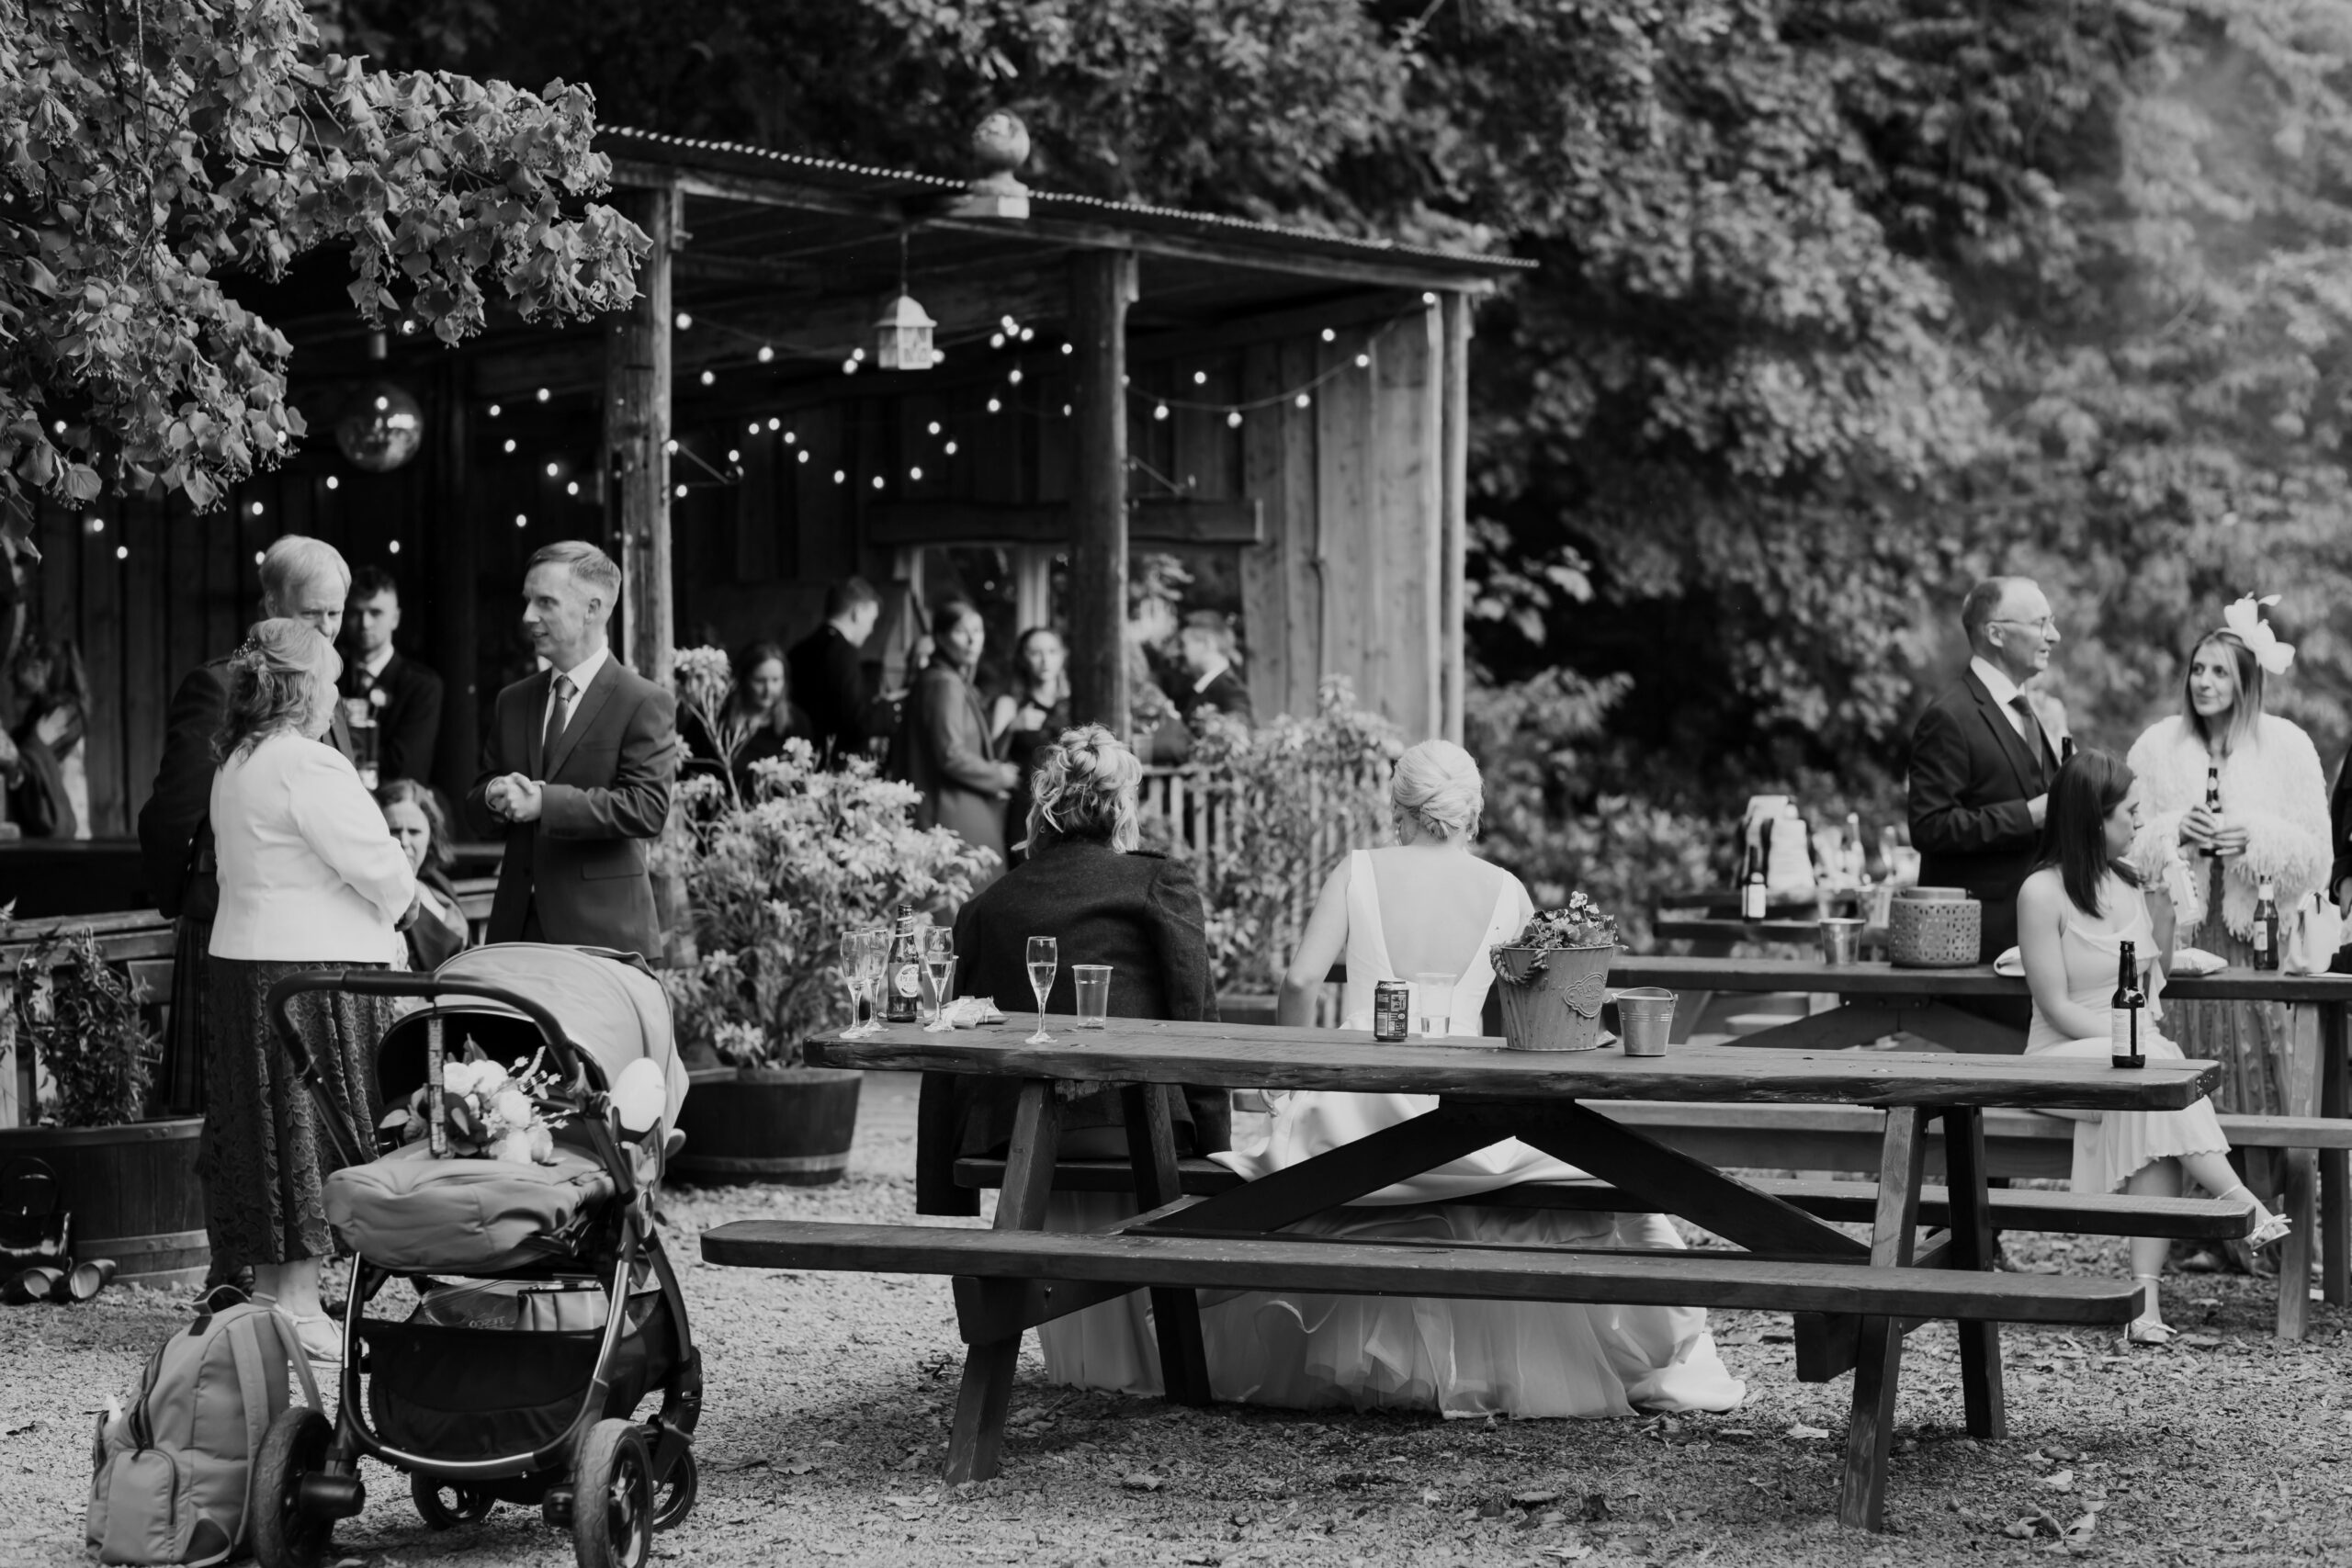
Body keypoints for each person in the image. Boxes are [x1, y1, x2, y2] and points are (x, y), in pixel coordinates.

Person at [1128, 741, 1741, 1416]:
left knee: (1285, 1173)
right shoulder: (1505, 889)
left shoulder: (1359, 870)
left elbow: (1301, 980)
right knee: (1593, 1173)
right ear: (1471, 811)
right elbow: (1543, 1011)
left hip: (1356, 1111)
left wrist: (1290, 1076)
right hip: (1465, 1124)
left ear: (1399, 807)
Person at [137, 536, 355, 1302]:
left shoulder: (329, 684)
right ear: (270, 608)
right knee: (232, 1110)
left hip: (309, 932)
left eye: (336, 614)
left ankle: (293, 1271)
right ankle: (233, 1270)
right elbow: (173, 815)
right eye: (311, 613)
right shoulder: (218, 685)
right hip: (234, 919)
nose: (328, 631)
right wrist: (201, 900)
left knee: (299, 1108)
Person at [2018, 749, 2288, 1343]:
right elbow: (2056, 1004)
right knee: (2155, 1069)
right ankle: (2241, 1205)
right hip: (2059, 1056)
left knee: (2154, 1107)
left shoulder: (2127, 881)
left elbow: (2153, 971)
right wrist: (2129, 1038)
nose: (2140, 823)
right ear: (2094, 819)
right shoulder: (2040, 892)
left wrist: (2168, 906)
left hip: (2130, 1053)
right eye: (2131, 812)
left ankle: (2145, 1306)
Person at [205, 617, 417, 1360]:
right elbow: (382, 866)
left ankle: (275, 1295)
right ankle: (296, 1305)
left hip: (244, 969)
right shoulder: (308, 764)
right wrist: (406, 900)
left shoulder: (237, 760)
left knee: (265, 1129)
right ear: (301, 690)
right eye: (328, 681)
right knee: (302, 1125)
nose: (336, 694)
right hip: (307, 974)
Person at [920, 724, 1221, 1218]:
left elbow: (946, 1032)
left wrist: (942, 1186)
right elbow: (1196, 1015)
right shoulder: (1158, 882)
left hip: (1008, 1133)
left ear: (1044, 810)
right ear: (1122, 807)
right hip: (1129, 1127)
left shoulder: (984, 907)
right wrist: (1213, 1149)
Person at [2125, 598, 2331, 1203]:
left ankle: (2261, 1224)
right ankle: (2184, 1219)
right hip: (2177, 941)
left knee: (2258, 1073)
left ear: (2248, 681)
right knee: (2180, 1073)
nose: (2205, 682)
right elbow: (2124, 848)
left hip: (2253, 940)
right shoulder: (2157, 746)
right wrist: (2173, 833)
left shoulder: (2288, 746)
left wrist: (2252, 837)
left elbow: (2316, 856)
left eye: (2220, 671)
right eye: (2198, 669)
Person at [464, 541, 679, 958]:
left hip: (604, 938)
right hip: (515, 935)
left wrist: (545, 802)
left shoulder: (643, 701)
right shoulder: (512, 700)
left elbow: (647, 809)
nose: (528, 616)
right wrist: (493, 795)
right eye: (528, 601)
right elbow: (476, 805)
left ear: (593, 609)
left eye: (545, 602)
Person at [1908, 576, 2071, 968]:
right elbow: (1929, 826)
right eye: (2040, 623)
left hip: (2038, 934)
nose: (2055, 635)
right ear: (1996, 633)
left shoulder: (2027, 709)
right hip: (1978, 945)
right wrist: (2029, 815)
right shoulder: (1949, 716)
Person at [899, 600, 1018, 895]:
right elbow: (950, 755)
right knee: (963, 906)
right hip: (952, 814)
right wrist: (999, 776)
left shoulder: (948, 679)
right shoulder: (944, 683)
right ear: (939, 637)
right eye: (961, 631)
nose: (972, 639)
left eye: (977, 630)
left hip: (953, 810)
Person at [340, 565, 445, 788]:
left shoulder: (422, 686)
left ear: (395, 618)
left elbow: (406, 767)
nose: (365, 623)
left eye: (375, 612)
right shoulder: (331, 678)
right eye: (356, 613)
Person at [684, 640, 809, 799]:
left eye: (776, 680)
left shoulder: (796, 722)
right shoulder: (715, 719)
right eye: (760, 681)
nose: (768, 690)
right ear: (743, 679)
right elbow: (688, 771)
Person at [988, 626, 1072, 861]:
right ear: (1023, 658)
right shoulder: (1010, 704)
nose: (1045, 660)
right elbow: (988, 759)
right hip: (1026, 813)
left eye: (1052, 651)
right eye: (1036, 653)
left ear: (1062, 655)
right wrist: (1012, 727)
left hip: (1070, 812)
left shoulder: (1076, 703)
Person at [788, 576, 880, 767]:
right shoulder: (843, 653)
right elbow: (855, 720)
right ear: (858, 613)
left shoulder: (800, 649)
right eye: (872, 620)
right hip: (833, 764)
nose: (871, 629)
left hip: (802, 759)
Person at [378, 779, 469, 970]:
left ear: (431, 835)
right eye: (394, 831)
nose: (404, 841)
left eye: (414, 831)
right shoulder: (379, 899)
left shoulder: (438, 883)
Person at [6, 637, 90, 839]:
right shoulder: (36, 716)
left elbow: (27, 763)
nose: (11, 676)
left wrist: (36, 742)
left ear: (40, 668)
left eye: (20, 666)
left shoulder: (64, 714)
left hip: (65, 832)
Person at [1172, 610, 1254, 728]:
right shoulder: (1202, 690)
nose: (1178, 652)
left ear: (1208, 643)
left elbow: (1237, 738)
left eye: (1183, 644)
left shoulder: (1231, 693)